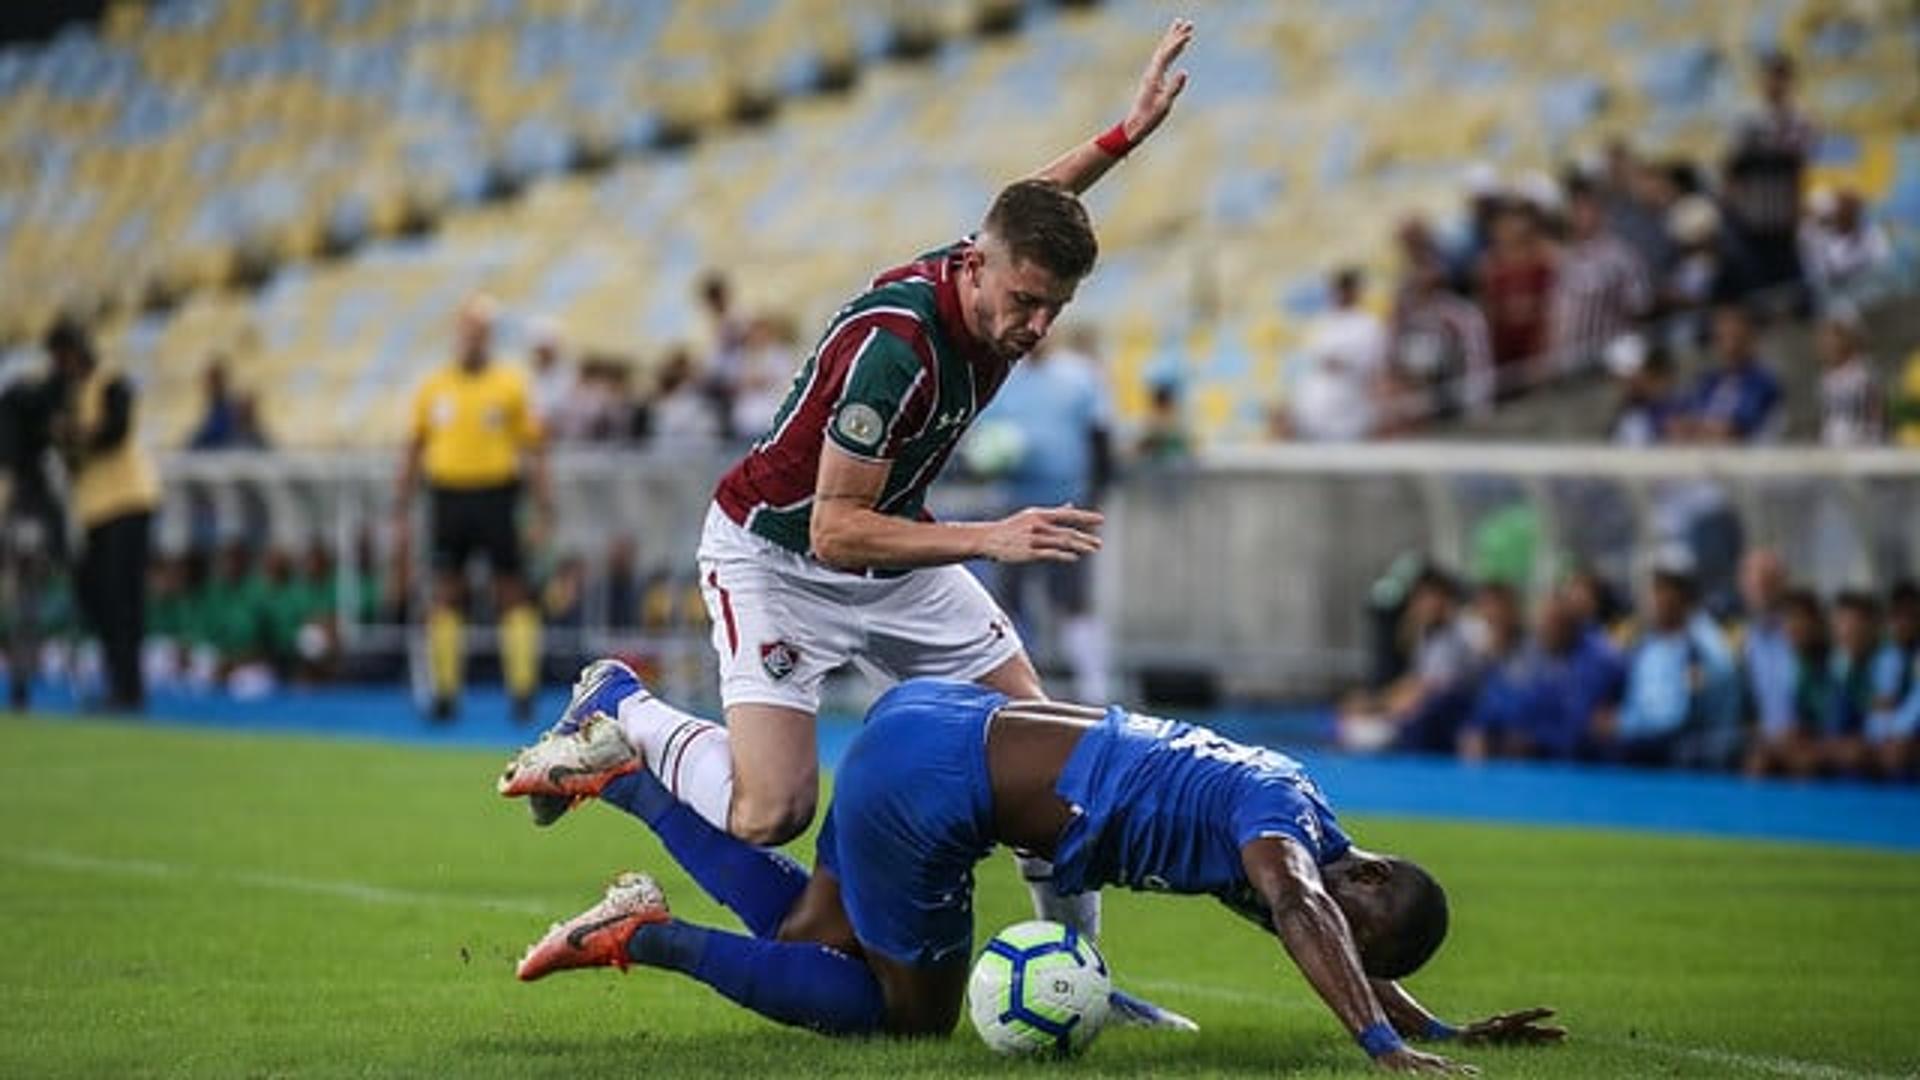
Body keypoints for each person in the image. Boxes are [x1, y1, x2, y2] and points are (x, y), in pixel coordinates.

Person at [521, 27, 1200, 1022]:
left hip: (894, 555)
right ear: (977, 271)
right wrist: (988, 536)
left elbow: (1028, 205)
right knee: (770, 812)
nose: (1037, 326)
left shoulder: (994, 269)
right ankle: (620, 706)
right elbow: (835, 530)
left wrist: (1121, 139)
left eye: (1053, 308)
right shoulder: (900, 354)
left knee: (1052, 766)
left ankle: (1082, 976)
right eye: (1025, 302)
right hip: (780, 557)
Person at [500, 677, 1565, 1069]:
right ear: (1364, 873)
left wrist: (1434, 1026)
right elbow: (1299, 907)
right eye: (1355, 926)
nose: (1334, 939)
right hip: (936, 789)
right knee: (899, 1017)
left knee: (814, 936)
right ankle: (645, 933)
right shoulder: (1284, 841)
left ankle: (629, 782)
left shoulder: (1292, 806)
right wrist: (1377, 1048)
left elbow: (1308, 920)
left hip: (932, 724)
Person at [396, 295, 551, 723]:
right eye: (466, 330)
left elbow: (535, 448)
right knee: (447, 592)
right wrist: (402, 504)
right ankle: (445, 694)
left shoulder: (510, 385)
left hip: (498, 495)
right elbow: (413, 446)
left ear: (489, 337)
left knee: (511, 590)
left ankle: (522, 692)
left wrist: (542, 508)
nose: (471, 339)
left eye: (479, 332)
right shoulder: (433, 387)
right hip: (448, 496)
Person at [977, 326, 1114, 700]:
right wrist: (989, 460)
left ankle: (1095, 688)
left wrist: (1096, 497)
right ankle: (1015, 687)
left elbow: (1099, 436)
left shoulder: (1080, 376)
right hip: (1015, 504)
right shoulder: (1004, 377)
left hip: (1067, 504)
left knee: (1072, 598)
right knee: (1009, 600)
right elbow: (984, 439)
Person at [49, 319, 159, 713]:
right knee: (96, 594)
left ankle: (129, 688)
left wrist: (75, 434)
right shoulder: (70, 397)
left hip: (128, 501)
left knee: (122, 597)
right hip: (95, 508)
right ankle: (121, 681)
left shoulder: (112, 383)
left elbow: (115, 430)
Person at [0, 360, 69, 710]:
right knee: (26, 604)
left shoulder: (28, 464)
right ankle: (20, 681)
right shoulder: (37, 463)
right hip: (25, 519)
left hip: (21, 518)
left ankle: (20, 681)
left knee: (25, 604)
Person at [1721, 52, 1816, 303]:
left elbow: (1799, 171)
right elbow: (1732, 169)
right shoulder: (1747, 118)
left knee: (1791, 287)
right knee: (1758, 288)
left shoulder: (1799, 120)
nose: (1775, 83)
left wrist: (1797, 211)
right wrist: (1736, 210)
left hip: (1783, 220)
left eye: (1781, 76)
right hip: (1752, 220)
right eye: (1771, 76)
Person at [1547, 179, 1651, 377]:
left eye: (1584, 210)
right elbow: (1558, 312)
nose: (1577, 217)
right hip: (1572, 361)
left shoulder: (1621, 255)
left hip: (1609, 358)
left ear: (1601, 213)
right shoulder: (1567, 258)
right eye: (1574, 210)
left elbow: (1640, 304)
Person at [1291, 267, 1389, 441]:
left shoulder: (1368, 324)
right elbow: (1316, 358)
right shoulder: (1323, 321)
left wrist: (1341, 362)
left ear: (1355, 291)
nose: (1339, 294)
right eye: (1336, 289)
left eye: (1345, 289)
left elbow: (1371, 365)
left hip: (1349, 403)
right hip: (1316, 399)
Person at [1815, 310, 1883, 447]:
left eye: (1836, 336)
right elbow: (1827, 419)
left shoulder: (1865, 374)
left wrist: (1874, 444)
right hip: (1833, 450)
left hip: (1862, 449)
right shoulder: (1825, 378)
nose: (1829, 343)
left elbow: (1876, 417)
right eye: (1826, 338)